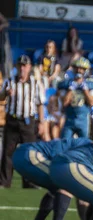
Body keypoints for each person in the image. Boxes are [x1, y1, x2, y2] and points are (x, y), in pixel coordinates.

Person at [14, 138, 91, 220]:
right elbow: (58, 149)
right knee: (66, 181)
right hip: (29, 154)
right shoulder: (86, 144)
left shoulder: (91, 150)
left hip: (23, 155)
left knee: (56, 188)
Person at [0, 55, 46, 188]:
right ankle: (4, 181)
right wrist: (6, 93)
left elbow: (40, 103)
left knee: (29, 153)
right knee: (8, 152)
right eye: (20, 65)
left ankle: (30, 182)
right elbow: (0, 96)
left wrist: (41, 122)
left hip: (28, 121)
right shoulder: (10, 81)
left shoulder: (35, 83)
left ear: (29, 67)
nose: (22, 68)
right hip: (13, 120)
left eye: (25, 66)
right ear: (17, 67)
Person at [61, 57, 93, 139]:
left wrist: (85, 90)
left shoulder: (90, 84)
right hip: (70, 118)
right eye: (77, 68)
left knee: (84, 143)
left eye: (82, 69)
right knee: (65, 142)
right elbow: (65, 103)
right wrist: (71, 89)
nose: (79, 71)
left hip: (83, 118)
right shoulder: (68, 84)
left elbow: (92, 102)